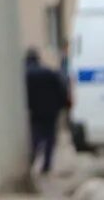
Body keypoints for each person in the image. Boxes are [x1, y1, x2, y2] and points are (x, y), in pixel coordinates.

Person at [22, 48, 71, 176]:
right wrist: (64, 104)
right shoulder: (49, 72)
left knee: (35, 138)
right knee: (50, 138)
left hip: (34, 111)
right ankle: (47, 165)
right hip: (51, 110)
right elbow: (61, 89)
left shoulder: (24, 75)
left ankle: (31, 161)